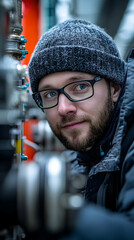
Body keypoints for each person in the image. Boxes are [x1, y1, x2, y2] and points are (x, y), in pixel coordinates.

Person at [28, 19, 134, 239]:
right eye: (49, 94)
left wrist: (51, 213)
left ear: (115, 89)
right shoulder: (78, 159)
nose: (63, 108)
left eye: (80, 87)